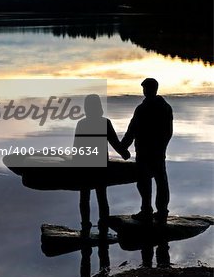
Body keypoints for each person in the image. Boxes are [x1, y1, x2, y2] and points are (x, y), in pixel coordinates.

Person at [74, 94, 130, 236]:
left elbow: (77, 147)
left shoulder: (82, 123)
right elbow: (115, 143)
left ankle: (85, 226)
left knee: (84, 197)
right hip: (100, 166)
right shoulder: (105, 123)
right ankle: (103, 225)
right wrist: (124, 153)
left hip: (85, 165)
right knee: (101, 196)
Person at [121, 78, 173, 223]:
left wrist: (122, 148)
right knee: (160, 180)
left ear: (150, 89)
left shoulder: (142, 109)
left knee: (145, 182)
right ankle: (161, 211)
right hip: (158, 152)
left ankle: (147, 210)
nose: (144, 91)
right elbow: (169, 132)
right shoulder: (166, 107)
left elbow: (131, 131)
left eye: (145, 88)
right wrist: (162, 147)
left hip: (145, 151)